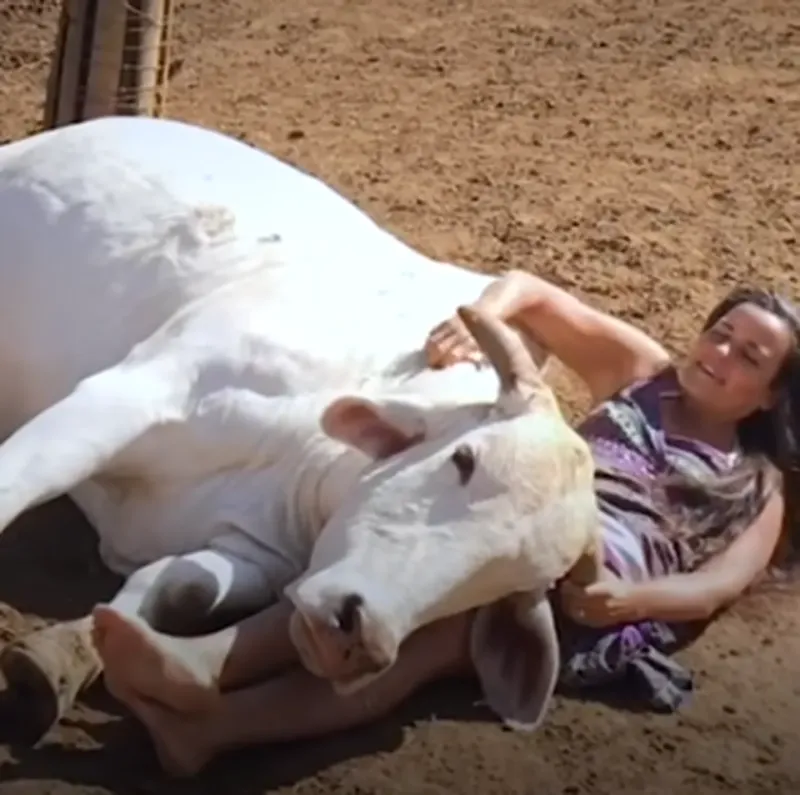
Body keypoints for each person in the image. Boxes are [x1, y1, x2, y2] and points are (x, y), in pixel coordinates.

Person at [91, 272, 800, 777]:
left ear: (770, 396)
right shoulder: (645, 370)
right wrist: (479, 314)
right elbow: (532, 290)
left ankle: (215, 720)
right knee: (401, 564)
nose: (719, 354)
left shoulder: (759, 487)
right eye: (720, 333)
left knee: (440, 634)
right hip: (508, 513)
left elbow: (716, 585)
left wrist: (632, 600)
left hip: (588, 586)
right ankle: (202, 663)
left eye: (749, 357)